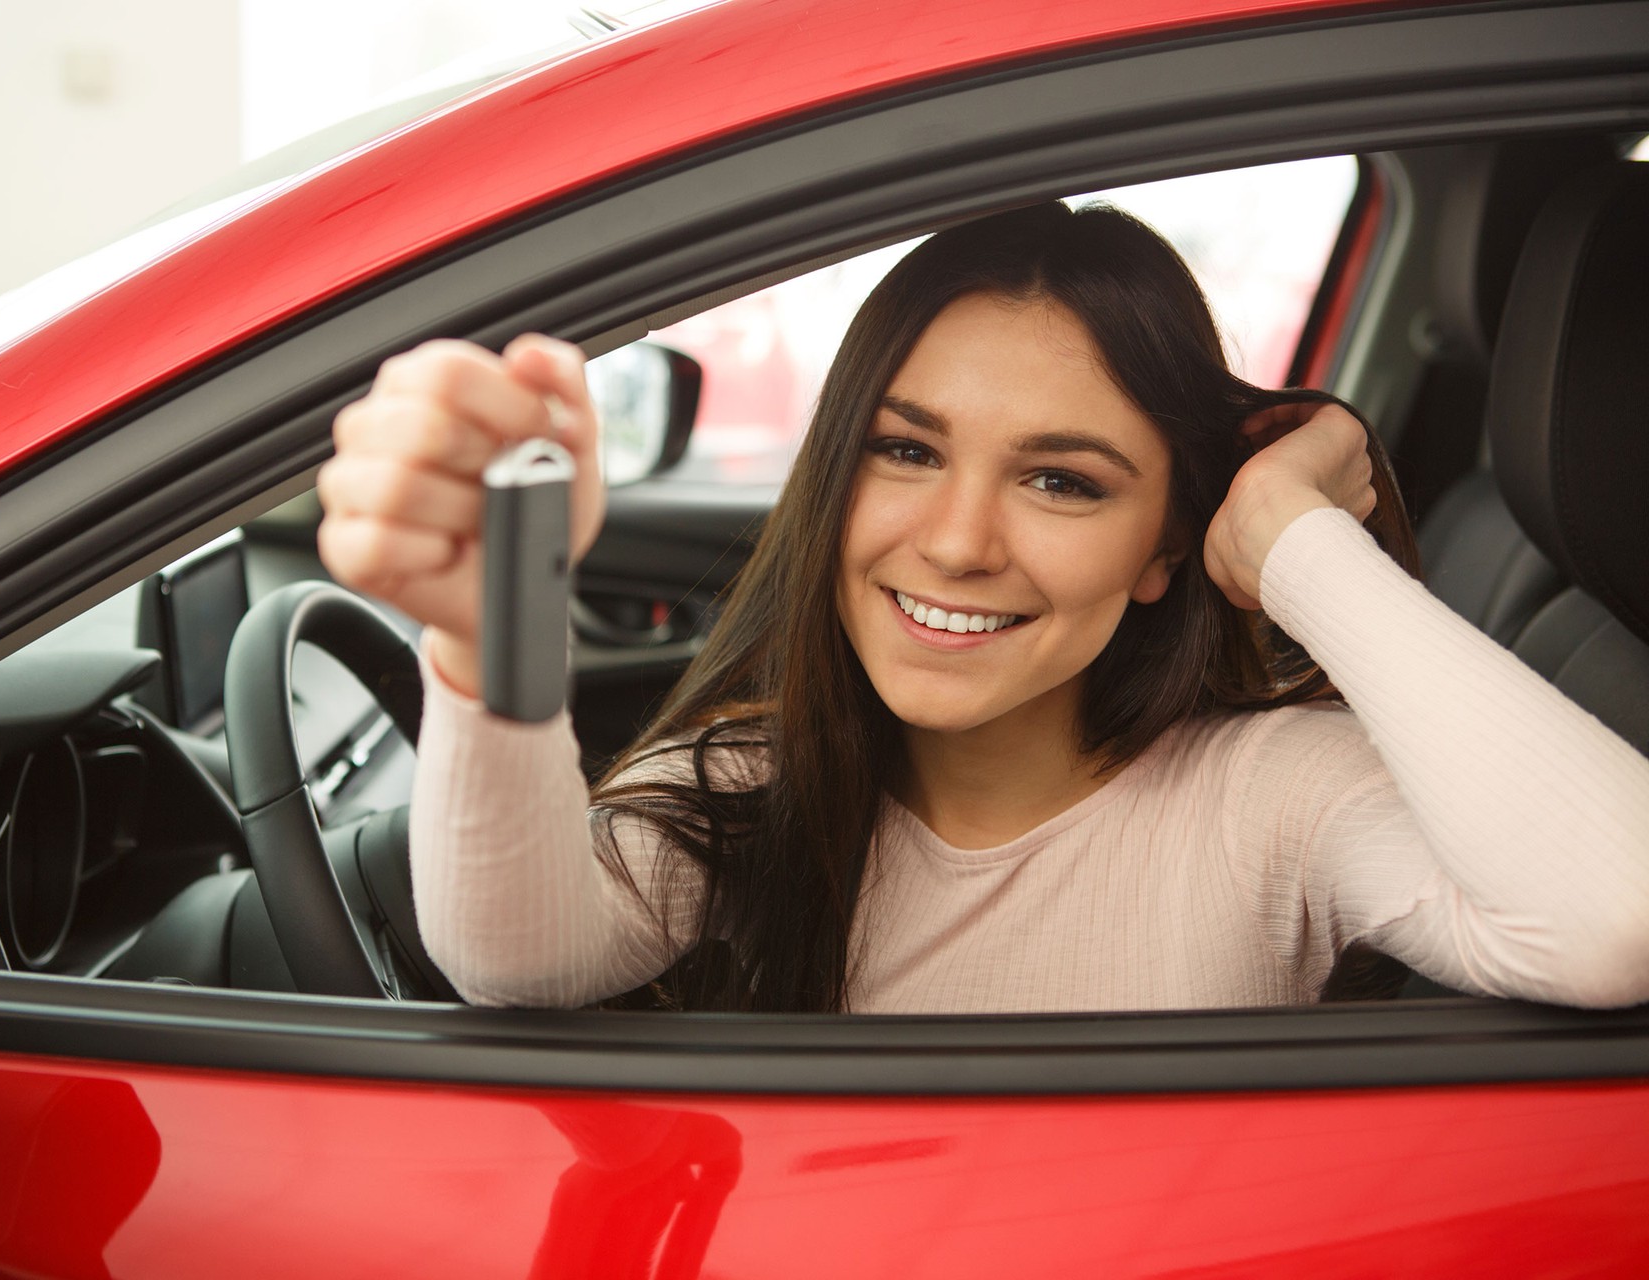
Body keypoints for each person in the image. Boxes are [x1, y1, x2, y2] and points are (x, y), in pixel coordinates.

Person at [315, 203, 1649, 1014]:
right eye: (906, 451)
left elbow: (1616, 918)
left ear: (1162, 549)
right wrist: (487, 636)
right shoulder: (755, 773)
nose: (954, 543)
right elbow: (520, 960)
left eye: (1062, 481)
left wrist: (1284, 532)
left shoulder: (1277, 795)